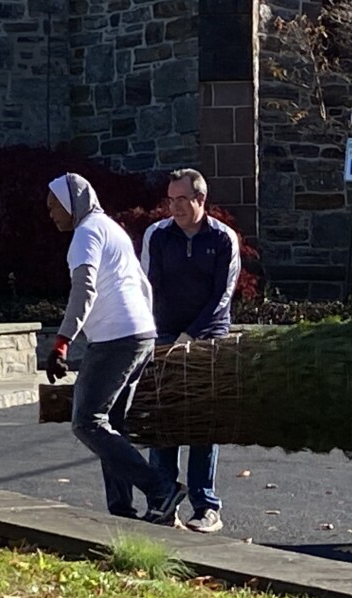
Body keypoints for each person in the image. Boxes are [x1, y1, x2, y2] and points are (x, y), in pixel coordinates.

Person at [45, 172, 186, 525]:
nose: (50, 214)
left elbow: (84, 289)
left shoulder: (85, 233)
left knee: (87, 422)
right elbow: (142, 283)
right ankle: (122, 511)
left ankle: (161, 489)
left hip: (115, 339)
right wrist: (147, 330)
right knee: (112, 427)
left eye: (53, 206)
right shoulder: (111, 228)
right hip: (140, 334)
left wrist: (62, 341)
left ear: (72, 203)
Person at [140, 168, 241, 533]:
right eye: (171, 199)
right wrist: (156, 334)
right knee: (163, 418)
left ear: (201, 200)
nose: (175, 207)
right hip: (164, 336)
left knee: (203, 418)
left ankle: (206, 506)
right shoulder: (157, 235)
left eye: (182, 199)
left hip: (207, 338)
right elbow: (146, 287)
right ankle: (163, 500)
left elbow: (223, 295)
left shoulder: (223, 238)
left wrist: (192, 335)